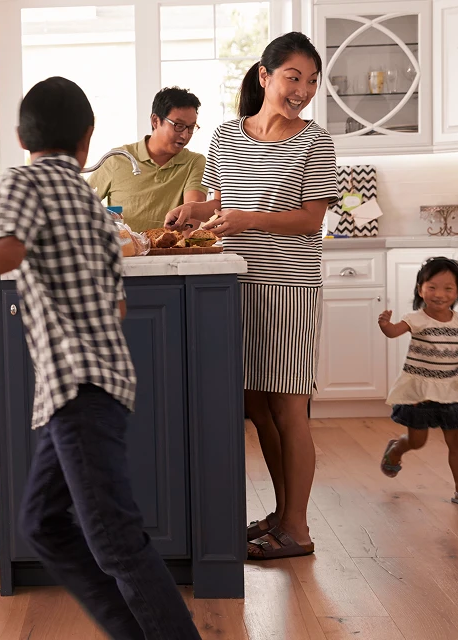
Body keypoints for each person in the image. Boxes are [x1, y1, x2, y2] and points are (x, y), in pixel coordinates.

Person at [0, 76, 201, 640]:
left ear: (22, 136)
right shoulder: (95, 208)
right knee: (42, 524)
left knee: (113, 537)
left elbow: (8, 250)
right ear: (87, 140)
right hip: (91, 388)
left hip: (75, 386)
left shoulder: (25, 182)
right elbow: (116, 306)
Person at [164, 32, 338, 561]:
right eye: (293, 77)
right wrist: (195, 213)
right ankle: (283, 515)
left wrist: (246, 219)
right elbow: (221, 204)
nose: (303, 90)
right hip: (234, 285)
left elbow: (311, 219)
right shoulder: (224, 136)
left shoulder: (315, 140)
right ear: (264, 76)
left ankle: (299, 531)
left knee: (289, 407)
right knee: (256, 407)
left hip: (288, 286)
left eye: (311, 81)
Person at [377, 257, 458, 508]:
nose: (439, 294)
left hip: (449, 390)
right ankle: (396, 450)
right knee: (417, 441)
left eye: (448, 288)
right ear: (420, 288)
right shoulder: (416, 319)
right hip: (419, 392)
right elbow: (393, 332)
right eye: (432, 287)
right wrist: (385, 324)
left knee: (456, 441)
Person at [89, 87, 208, 232]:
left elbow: (193, 213)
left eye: (190, 127)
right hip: (126, 252)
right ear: (155, 121)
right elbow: (82, 205)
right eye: (179, 125)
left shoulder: (194, 162)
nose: (185, 135)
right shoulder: (117, 159)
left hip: (172, 252)